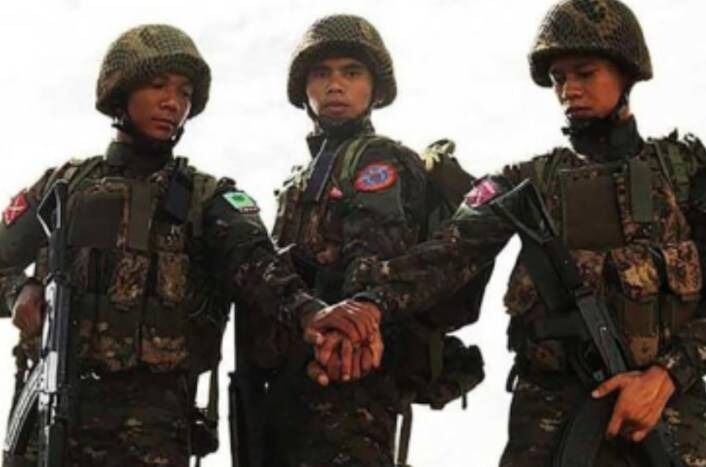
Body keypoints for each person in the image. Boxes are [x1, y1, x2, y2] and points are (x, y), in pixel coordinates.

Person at [329, 0, 706, 465]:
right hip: (549, 418)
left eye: (585, 73)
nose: (569, 90)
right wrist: (366, 306)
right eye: (558, 79)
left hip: (670, 419)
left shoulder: (685, 171)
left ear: (627, 73)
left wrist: (667, 375)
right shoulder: (523, 182)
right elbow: (449, 252)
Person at [0, 23, 379, 467]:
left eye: (184, 93)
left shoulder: (209, 198)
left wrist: (310, 312)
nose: (172, 103)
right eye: (158, 85)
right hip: (49, 417)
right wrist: (18, 291)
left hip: (151, 433)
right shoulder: (62, 187)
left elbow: (257, 265)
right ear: (120, 91)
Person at [264, 14, 484, 467]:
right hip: (293, 376)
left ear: (375, 88)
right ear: (304, 88)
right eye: (321, 74)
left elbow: (374, 256)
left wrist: (337, 342)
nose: (335, 85)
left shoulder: (378, 159)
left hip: (354, 376)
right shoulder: (299, 180)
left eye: (351, 72)